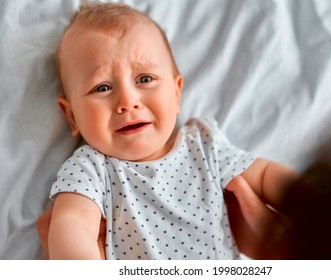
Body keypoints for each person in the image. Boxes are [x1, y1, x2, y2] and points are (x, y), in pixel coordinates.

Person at [45, 1, 313, 260]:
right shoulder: (91, 168)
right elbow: (72, 222)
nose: (128, 102)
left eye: (145, 79)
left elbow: (264, 175)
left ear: (176, 93)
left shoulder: (203, 144)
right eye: (102, 87)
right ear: (72, 116)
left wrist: (313, 204)